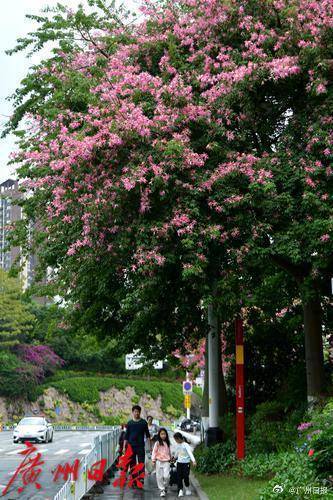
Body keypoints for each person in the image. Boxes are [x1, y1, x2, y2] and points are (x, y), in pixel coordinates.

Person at [124, 405, 150, 487]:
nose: (136, 413)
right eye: (135, 411)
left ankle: (141, 478)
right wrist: (124, 447)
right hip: (131, 446)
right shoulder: (129, 423)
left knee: (141, 462)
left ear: (140, 412)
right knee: (132, 464)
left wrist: (149, 447)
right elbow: (126, 436)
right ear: (133, 412)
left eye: (138, 411)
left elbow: (148, 435)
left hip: (140, 446)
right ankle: (134, 479)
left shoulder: (143, 423)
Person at [173, 432, 196, 497]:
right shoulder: (177, 445)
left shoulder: (185, 445)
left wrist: (193, 461)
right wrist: (174, 458)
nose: (176, 441)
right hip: (179, 463)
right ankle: (180, 490)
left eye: (176, 439)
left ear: (179, 438)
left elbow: (190, 453)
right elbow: (177, 453)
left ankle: (187, 488)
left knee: (186, 476)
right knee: (179, 477)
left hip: (186, 463)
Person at [151, 428, 171, 497]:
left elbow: (170, 451)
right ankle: (162, 490)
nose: (163, 435)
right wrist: (153, 460)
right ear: (159, 435)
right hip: (158, 461)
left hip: (166, 462)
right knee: (159, 477)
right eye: (162, 434)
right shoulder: (157, 443)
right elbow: (154, 452)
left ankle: (165, 486)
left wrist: (172, 458)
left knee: (166, 476)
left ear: (166, 435)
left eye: (164, 434)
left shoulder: (168, 443)